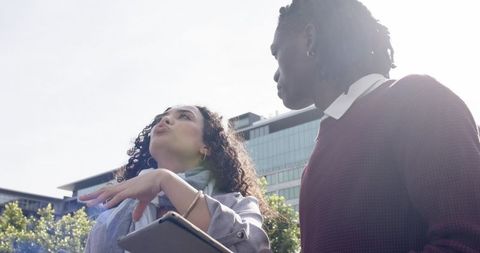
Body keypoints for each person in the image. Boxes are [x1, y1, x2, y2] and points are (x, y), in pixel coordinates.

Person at [270, 0, 480, 252]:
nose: (274, 74)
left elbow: (465, 241)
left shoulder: (418, 100)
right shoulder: (317, 155)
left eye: (276, 52)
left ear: (309, 39)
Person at [79, 105, 271, 253]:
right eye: (163, 117)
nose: (166, 120)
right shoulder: (110, 220)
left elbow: (250, 247)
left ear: (206, 146)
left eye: (184, 116)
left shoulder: (238, 205)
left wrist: (165, 180)